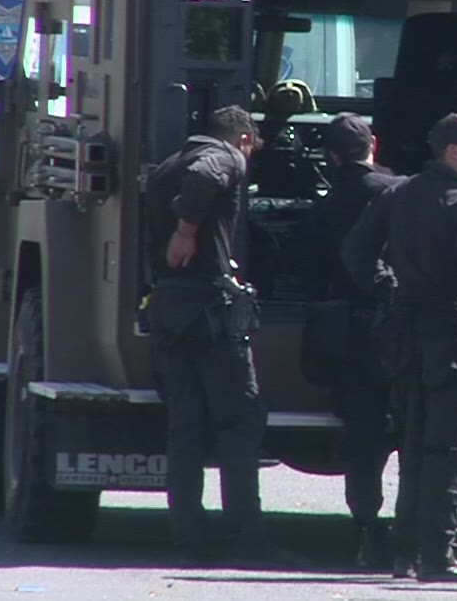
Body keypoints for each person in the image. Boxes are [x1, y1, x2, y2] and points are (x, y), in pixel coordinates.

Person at [342, 113, 457, 583]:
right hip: (450, 337)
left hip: (403, 334)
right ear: (452, 152)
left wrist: (389, 290)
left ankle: (404, 552)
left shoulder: (396, 192)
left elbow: (356, 252)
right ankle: (438, 554)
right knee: (445, 449)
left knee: (412, 443)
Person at [143, 105, 272, 563]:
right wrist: (187, 231)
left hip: (170, 305)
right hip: (210, 310)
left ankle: (188, 531)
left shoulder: (165, 167)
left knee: (186, 426)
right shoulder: (226, 156)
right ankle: (245, 531)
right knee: (239, 421)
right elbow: (207, 176)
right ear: (243, 139)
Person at [298, 113, 404, 568]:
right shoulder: (403, 192)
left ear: (333, 156)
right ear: (374, 144)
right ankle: (417, 532)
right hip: (405, 328)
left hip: (353, 334)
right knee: (416, 434)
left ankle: (367, 528)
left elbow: (301, 260)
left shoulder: (327, 205)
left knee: (363, 438)